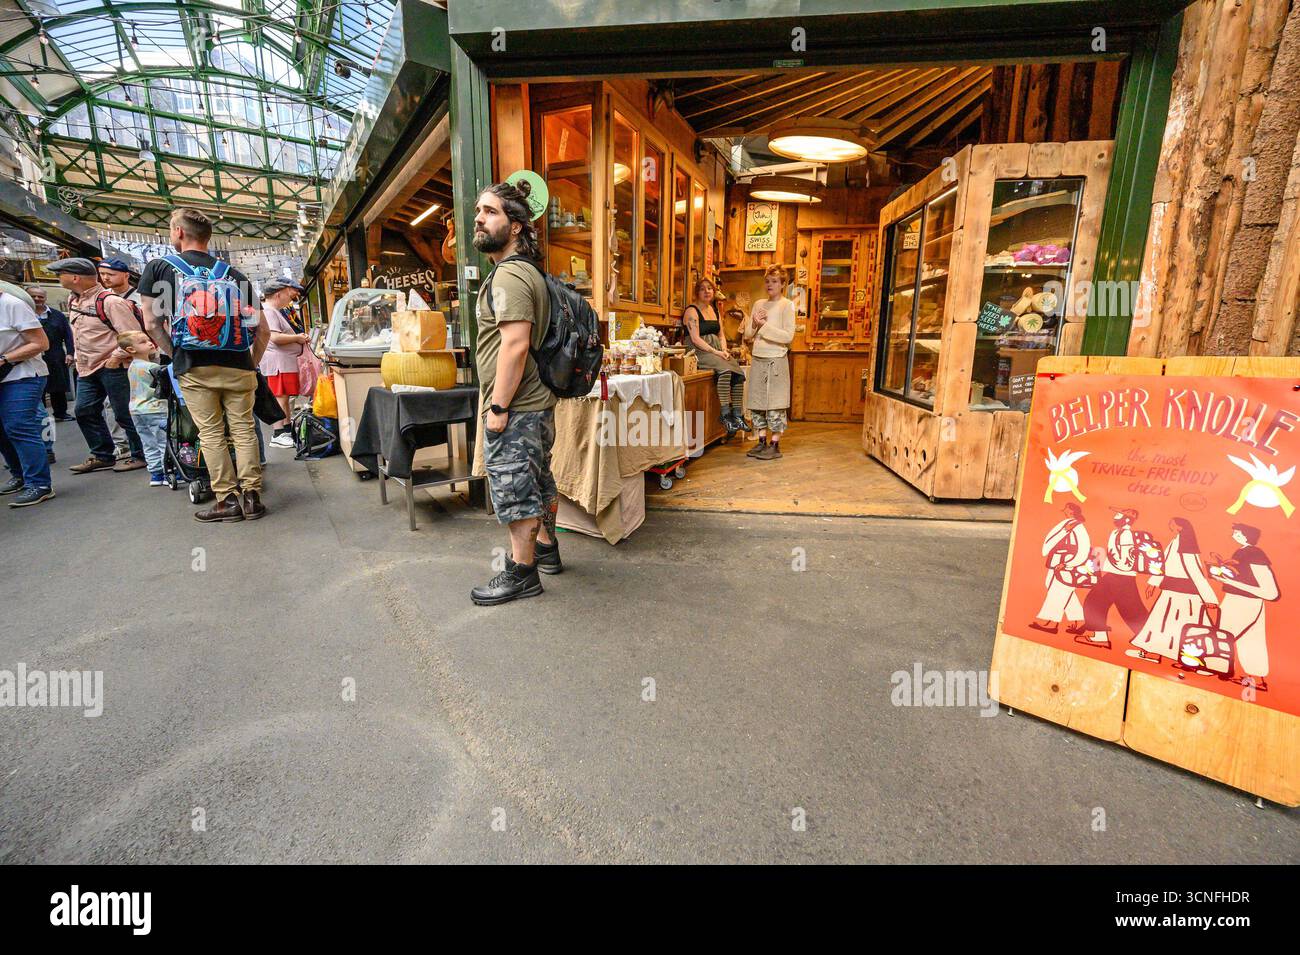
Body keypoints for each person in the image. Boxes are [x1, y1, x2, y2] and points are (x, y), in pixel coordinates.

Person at [140, 208, 268, 522]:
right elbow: (261, 329)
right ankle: (252, 497)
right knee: (244, 430)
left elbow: (151, 323)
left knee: (211, 433)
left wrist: (176, 354)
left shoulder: (160, 268)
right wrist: (251, 362)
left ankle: (228, 501)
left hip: (194, 365)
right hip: (238, 363)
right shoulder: (234, 274)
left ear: (179, 233)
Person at [469, 179, 561, 606]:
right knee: (539, 480)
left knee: (513, 486)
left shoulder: (509, 276)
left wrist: (498, 407)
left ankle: (522, 572)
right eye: (479, 212)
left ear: (517, 227)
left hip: (517, 405)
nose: (479, 218)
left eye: (490, 212)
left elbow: (516, 344)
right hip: (536, 403)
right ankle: (547, 549)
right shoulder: (528, 273)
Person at [48, 257, 147, 474]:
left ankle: (140, 454)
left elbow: (133, 336)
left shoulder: (111, 302)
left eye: (61, 273)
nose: (59, 278)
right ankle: (103, 454)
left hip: (113, 366)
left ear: (75, 277)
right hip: (86, 367)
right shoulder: (74, 301)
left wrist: (116, 358)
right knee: (84, 409)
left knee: (124, 414)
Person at [1127, 517, 1217, 664]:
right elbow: (1164, 564)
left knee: (1184, 628)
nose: (1170, 525)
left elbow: (1196, 573)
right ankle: (1151, 652)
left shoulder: (1186, 545)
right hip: (1170, 592)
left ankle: (1197, 661)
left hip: (1185, 595)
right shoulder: (1176, 541)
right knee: (1160, 622)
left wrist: (1209, 598)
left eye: (1172, 523)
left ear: (1180, 527)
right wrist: (1154, 582)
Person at [0, 286, 54, 507]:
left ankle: (39, 484)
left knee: (18, 426)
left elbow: (41, 343)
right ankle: (20, 475)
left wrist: (4, 359)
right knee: (2, 431)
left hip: (22, 375)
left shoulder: (12, 304)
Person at [1214, 523, 1278, 690]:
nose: (1234, 534)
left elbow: (1270, 592)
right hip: (1234, 600)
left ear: (1247, 535)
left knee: (1245, 638)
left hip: (1247, 602)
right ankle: (1232, 672)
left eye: (1237, 532)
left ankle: (1254, 678)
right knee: (1231, 637)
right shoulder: (1241, 551)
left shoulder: (1255, 554)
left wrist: (1231, 582)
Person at [742, 265, 795, 460]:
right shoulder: (758, 304)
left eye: (774, 281)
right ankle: (761, 441)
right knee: (756, 402)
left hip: (776, 359)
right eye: (767, 281)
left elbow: (788, 337)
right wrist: (755, 324)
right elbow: (748, 334)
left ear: (783, 284)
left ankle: (775, 443)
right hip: (758, 357)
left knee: (775, 403)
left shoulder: (786, 305)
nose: (770, 285)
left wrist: (764, 326)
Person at [681, 277, 747, 435]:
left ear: (713, 292)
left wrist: (724, 350)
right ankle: (725, 415)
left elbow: (722, 335)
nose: (707, 291)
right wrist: (716, 352)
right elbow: (695, 339)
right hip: (699, 351)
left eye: (709, 288)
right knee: (725, 371)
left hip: (717, 349)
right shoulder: (691, 310)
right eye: (702, 289)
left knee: (738, 373)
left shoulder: (715, 310)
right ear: (697, 292)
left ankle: (737, 415)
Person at [1077, 507, 1147, 650]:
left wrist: (1117, 566)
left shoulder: (1126, 534)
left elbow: (1127, 557)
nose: (1115, 517)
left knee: (1098, 603)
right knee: (1129, 610)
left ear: (1127, 519)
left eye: (1119, 515)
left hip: (1120, 577)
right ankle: (1148, 640)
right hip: (1117, 576)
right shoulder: (1117, 532)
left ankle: (1150, 641)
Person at [96, 260, 143, 459]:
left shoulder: (140, 297)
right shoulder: (101, 300)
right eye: (103, 274)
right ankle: (123, 445)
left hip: (138, 357)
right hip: (113, 360)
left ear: (125, 275)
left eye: (111, 274)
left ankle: (143, 447)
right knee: (112, 404)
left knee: (140, 402)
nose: (106, 278)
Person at [258, 279, 309, 448]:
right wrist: (298, 337)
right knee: (280, 397)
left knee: (284, 397)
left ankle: (285, 430)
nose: (291, 300)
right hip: (278, 362)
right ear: (279, 293)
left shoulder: (272, 311)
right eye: (290, 295)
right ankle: (278, 433)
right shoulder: (270, 311)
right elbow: (275, 337)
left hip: (281, 362)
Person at [117, 331, 169, 487]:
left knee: (148, 442)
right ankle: (169, 472)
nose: (150, 343)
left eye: (148, 340)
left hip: (136, 410)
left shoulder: (132, 366)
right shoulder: (153, 367)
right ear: (131, 350)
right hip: (155, 408)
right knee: (163, 441)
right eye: (143, 342)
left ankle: (156, 474)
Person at [1029, 503, 1091, 635]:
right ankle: (1078, 619)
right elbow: (1052, 540)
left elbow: (1084, 549)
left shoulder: (1078, 527)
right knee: (1057, 588)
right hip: (1056, 562)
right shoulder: (1066, 524)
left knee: (1059, 590)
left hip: (1066, 564)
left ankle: (1051, 623)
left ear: (1072, 511)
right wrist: (1065, 530)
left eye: (1068, 509)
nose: (1065, 511)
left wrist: (1069, 563)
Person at [28, 286, 74, 422]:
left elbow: (68, 335)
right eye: (33, 296)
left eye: (40, 296)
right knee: (37, 386)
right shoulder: (24, 314)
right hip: (32, 356)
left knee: (58, 385)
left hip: (55, 355)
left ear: (45, 298)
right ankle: (39, 416)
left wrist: (70, 353)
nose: (37, 299)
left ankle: (61, 413)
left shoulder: (57, 315)